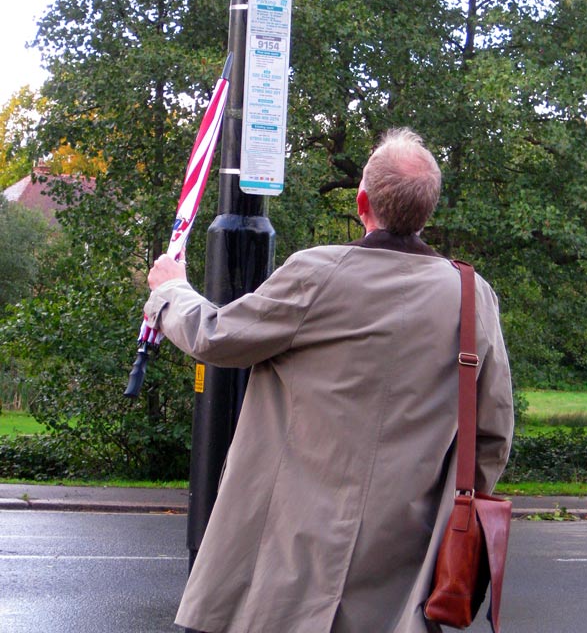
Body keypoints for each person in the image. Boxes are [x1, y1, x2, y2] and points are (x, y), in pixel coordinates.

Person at [145, 128, 514, 633]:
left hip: (288, 543)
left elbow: (216, 337)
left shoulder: (320, 273)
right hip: (405, 551)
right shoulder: (473, 296)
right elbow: (493, 432)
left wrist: (172, 291)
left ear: (362, 202)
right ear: (428, 211)